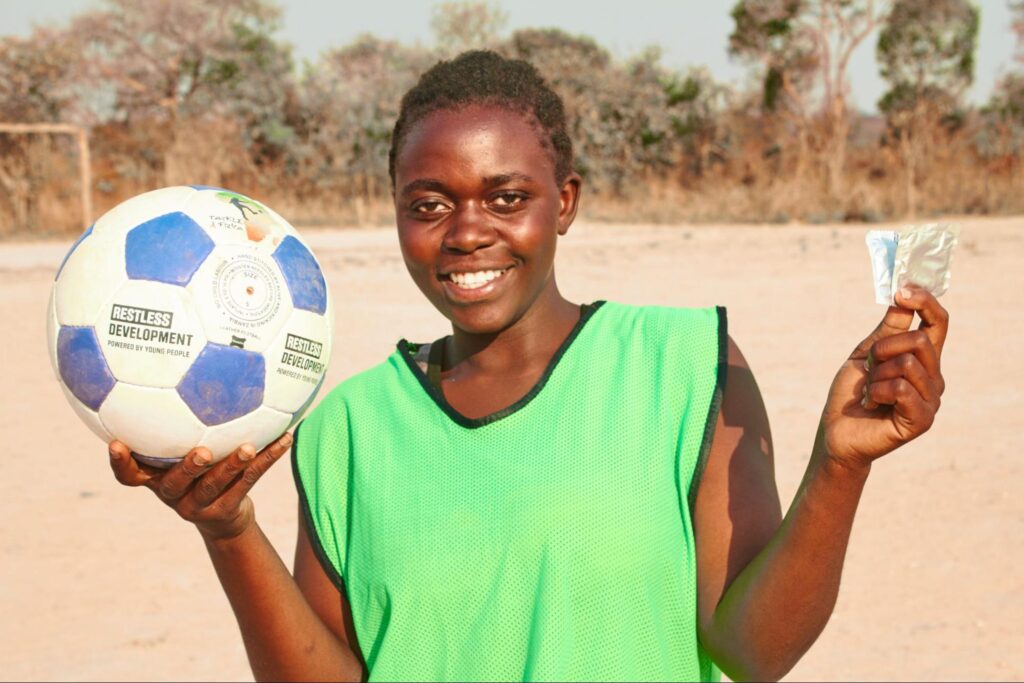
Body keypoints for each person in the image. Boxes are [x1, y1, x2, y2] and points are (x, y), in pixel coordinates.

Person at [107, 51, 949, 682]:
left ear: (566, 202)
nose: (468, 232)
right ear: (396, 212)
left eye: (507, 197)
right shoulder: (347, 426)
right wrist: (228, 530)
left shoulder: (684, 364)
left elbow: (754, 650)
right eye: (429, 204)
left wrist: (838, 467)